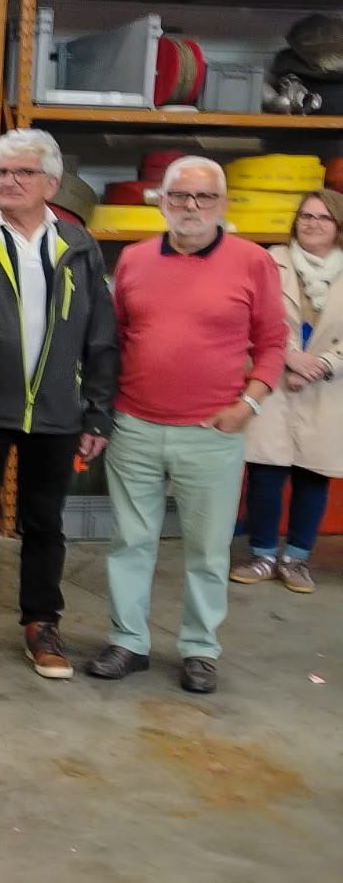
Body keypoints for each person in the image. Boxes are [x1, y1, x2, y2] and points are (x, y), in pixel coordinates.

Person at [86, 156, 286, 695]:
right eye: (179, 196)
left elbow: (272, 345)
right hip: (135, 425)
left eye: (203, 198)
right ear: (162, 201)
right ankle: (128, 641)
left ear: (222, 204)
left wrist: (249, 404)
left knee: (207, 548)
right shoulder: (132, 260)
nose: (191, 207)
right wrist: (106, 411)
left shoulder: (253, 263)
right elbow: (116, 340)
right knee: (130, 541)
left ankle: (200, 649)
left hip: (214, 431)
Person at [0, 129, 118, 679]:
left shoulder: (79, 248)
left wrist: (98, 410)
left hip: (58, 413)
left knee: (44, 523)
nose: (8, 182)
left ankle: (41, 623)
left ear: (51, 184)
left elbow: (100, 337)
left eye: (23, 173)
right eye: (1, 172)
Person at [232, 190, 343, 595]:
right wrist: (289, 357)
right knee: (266, 472)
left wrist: (324, 365)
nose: (312, 224)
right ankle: (262, 555)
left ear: (338, 226)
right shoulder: (268, 261)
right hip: (272, 381)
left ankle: (296, 559)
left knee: (313, 475)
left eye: (323, 218)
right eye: (306, 216)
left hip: (329, 388)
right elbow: (248, 316)